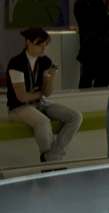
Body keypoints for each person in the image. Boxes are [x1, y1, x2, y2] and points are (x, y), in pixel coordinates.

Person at [6, 26, 83, 164]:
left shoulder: (45, 61)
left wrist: (51, 77)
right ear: (29, 43)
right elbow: (22, 97)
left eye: (46, 45)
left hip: (40, 103)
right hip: (18, 107)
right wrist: (39, 93)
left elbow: (47, 93)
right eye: (40, 45)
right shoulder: (16, 63)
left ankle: (51, 157)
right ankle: (51, 163)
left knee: (75, 116)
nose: (44, 48)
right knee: (43, 122)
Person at [74, 0, 109, 87]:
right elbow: (107, 21)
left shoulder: (78, 2)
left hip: (85, 45)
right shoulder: (97, 1)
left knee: (86, 78)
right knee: (101, 79)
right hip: (99, 47)